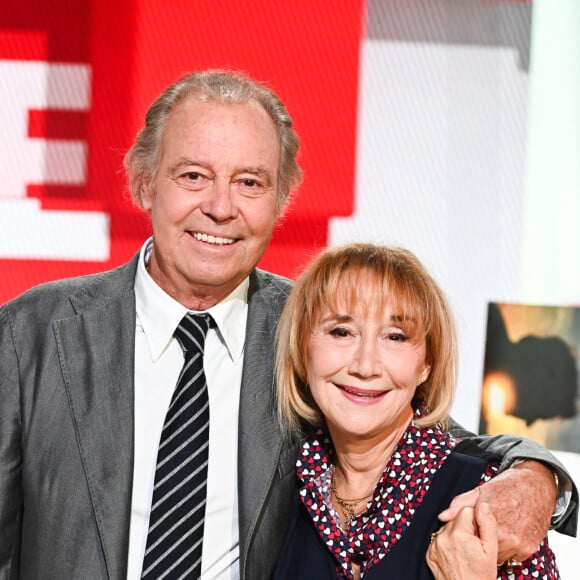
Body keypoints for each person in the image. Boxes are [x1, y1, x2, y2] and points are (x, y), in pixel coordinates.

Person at [0, 70, 575, 580]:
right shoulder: (31, 335)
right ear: (145, 182)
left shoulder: (318, 331)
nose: (221, 207)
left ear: (280, 201)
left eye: (250, 182)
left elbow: (430, 437)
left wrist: (539, 478)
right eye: (194, 176)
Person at [272, 243, 559, 579]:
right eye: (342, 332)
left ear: (426, 363)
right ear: (302, 348)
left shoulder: (491, 499)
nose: (366, 365)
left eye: (394, 337)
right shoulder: (288, 484)